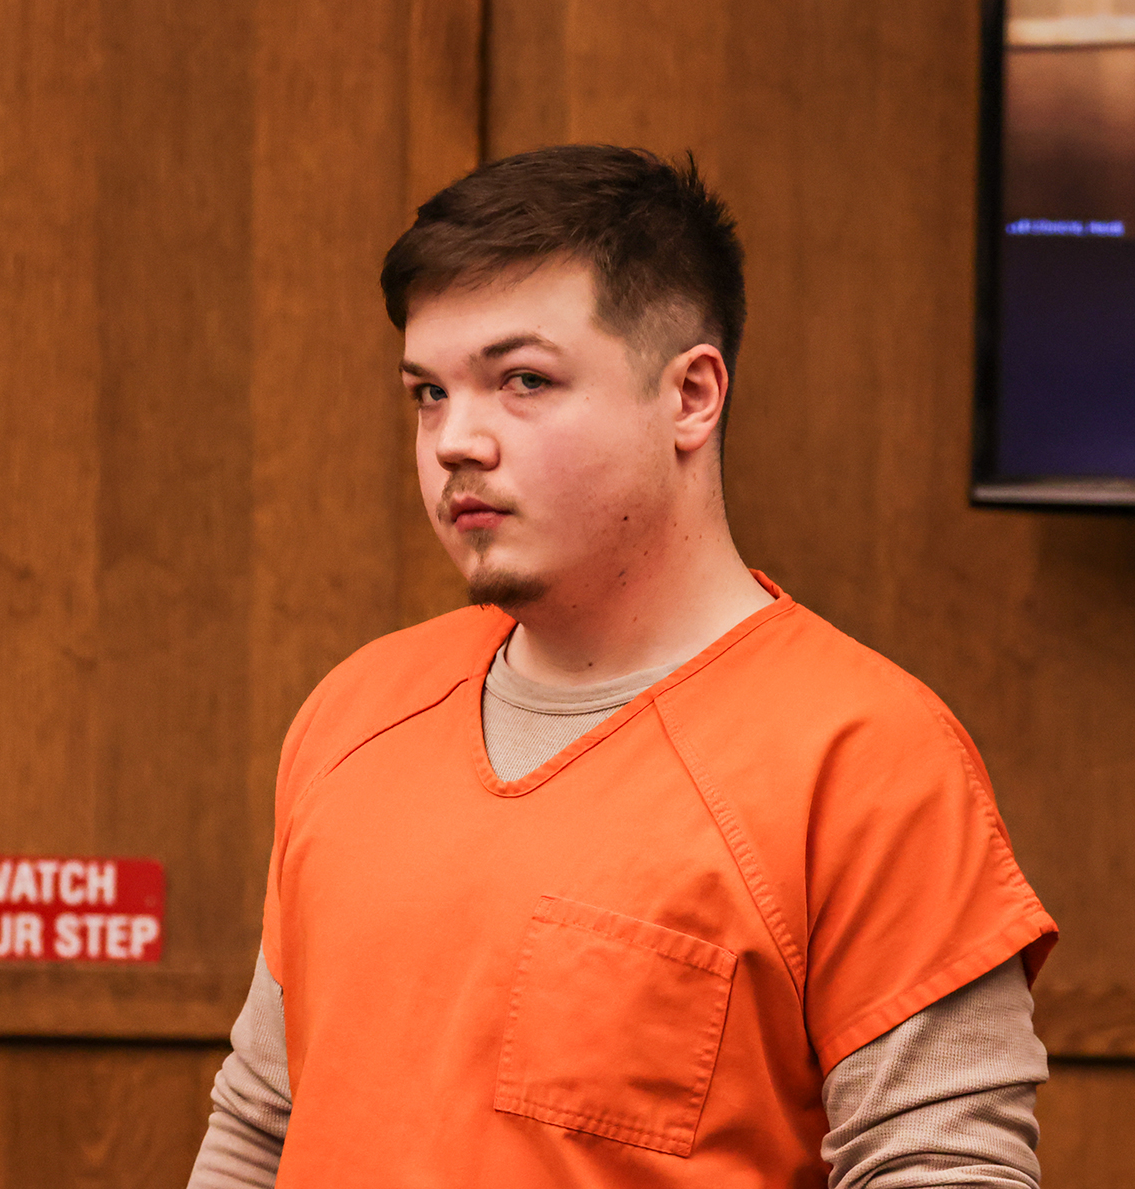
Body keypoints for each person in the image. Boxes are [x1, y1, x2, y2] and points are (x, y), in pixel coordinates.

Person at [188, 145, 1057, 1188]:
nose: (455, 439)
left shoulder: (871, 758)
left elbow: (942, 1169)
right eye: (428, 392)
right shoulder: (353, 711)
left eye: (523, 380)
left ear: (690, 394)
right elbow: (257, 1129)